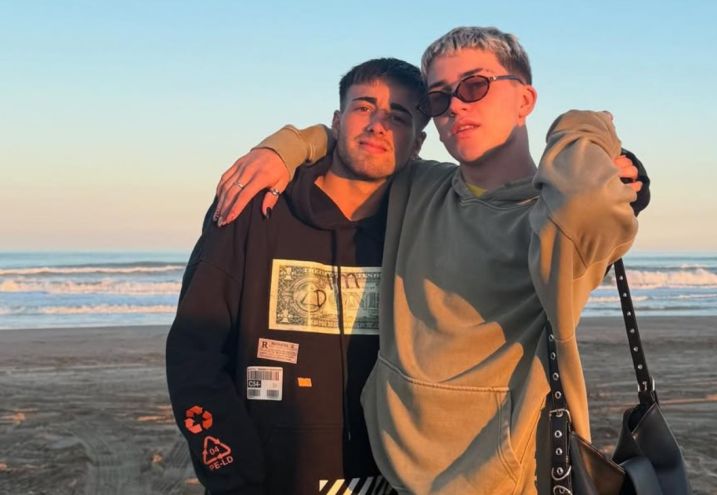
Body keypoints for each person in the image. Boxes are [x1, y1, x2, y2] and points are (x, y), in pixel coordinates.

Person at [214, 27, 649, 494]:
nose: (455, 106)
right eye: (439, 98)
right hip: (394, 472)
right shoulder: (419, 186)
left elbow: (586, 202)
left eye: (475, 86)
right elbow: (356, 138)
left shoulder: (551, 223)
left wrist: (586, 127)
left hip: (500, 479)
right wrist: (286, 147)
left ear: (525, 99)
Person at [166, 58, 429, 494]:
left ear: (417, 143)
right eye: (364, 107)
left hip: (388, 480)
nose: (378, 125)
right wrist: (233, 472)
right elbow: (195, 352)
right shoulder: (255, 209)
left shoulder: (425, 226)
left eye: (398, 117)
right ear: (337, 122)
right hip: (266, 480)